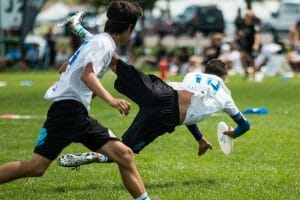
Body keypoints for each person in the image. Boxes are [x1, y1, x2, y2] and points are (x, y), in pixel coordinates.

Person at [0, 2, 150, 200]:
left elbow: (63, 69)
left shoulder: (97, 42)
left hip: (74, 113)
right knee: (35, 167)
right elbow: (87, 75)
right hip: (67, 112)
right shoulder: (103, 44)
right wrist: (111, 99)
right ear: (129, 28)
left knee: (125, 155)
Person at [56, 16, 250, 167]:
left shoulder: (193, 76)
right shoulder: (225, 95)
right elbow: (245, 125)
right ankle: (92, 157)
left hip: (160, 91)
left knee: (116, 63)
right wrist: (231, 134)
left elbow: (190, 108)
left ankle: (79, 29)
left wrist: (200, 139)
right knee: (124, 150)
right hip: (167, 115)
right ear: (224, 77)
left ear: (207, 71)